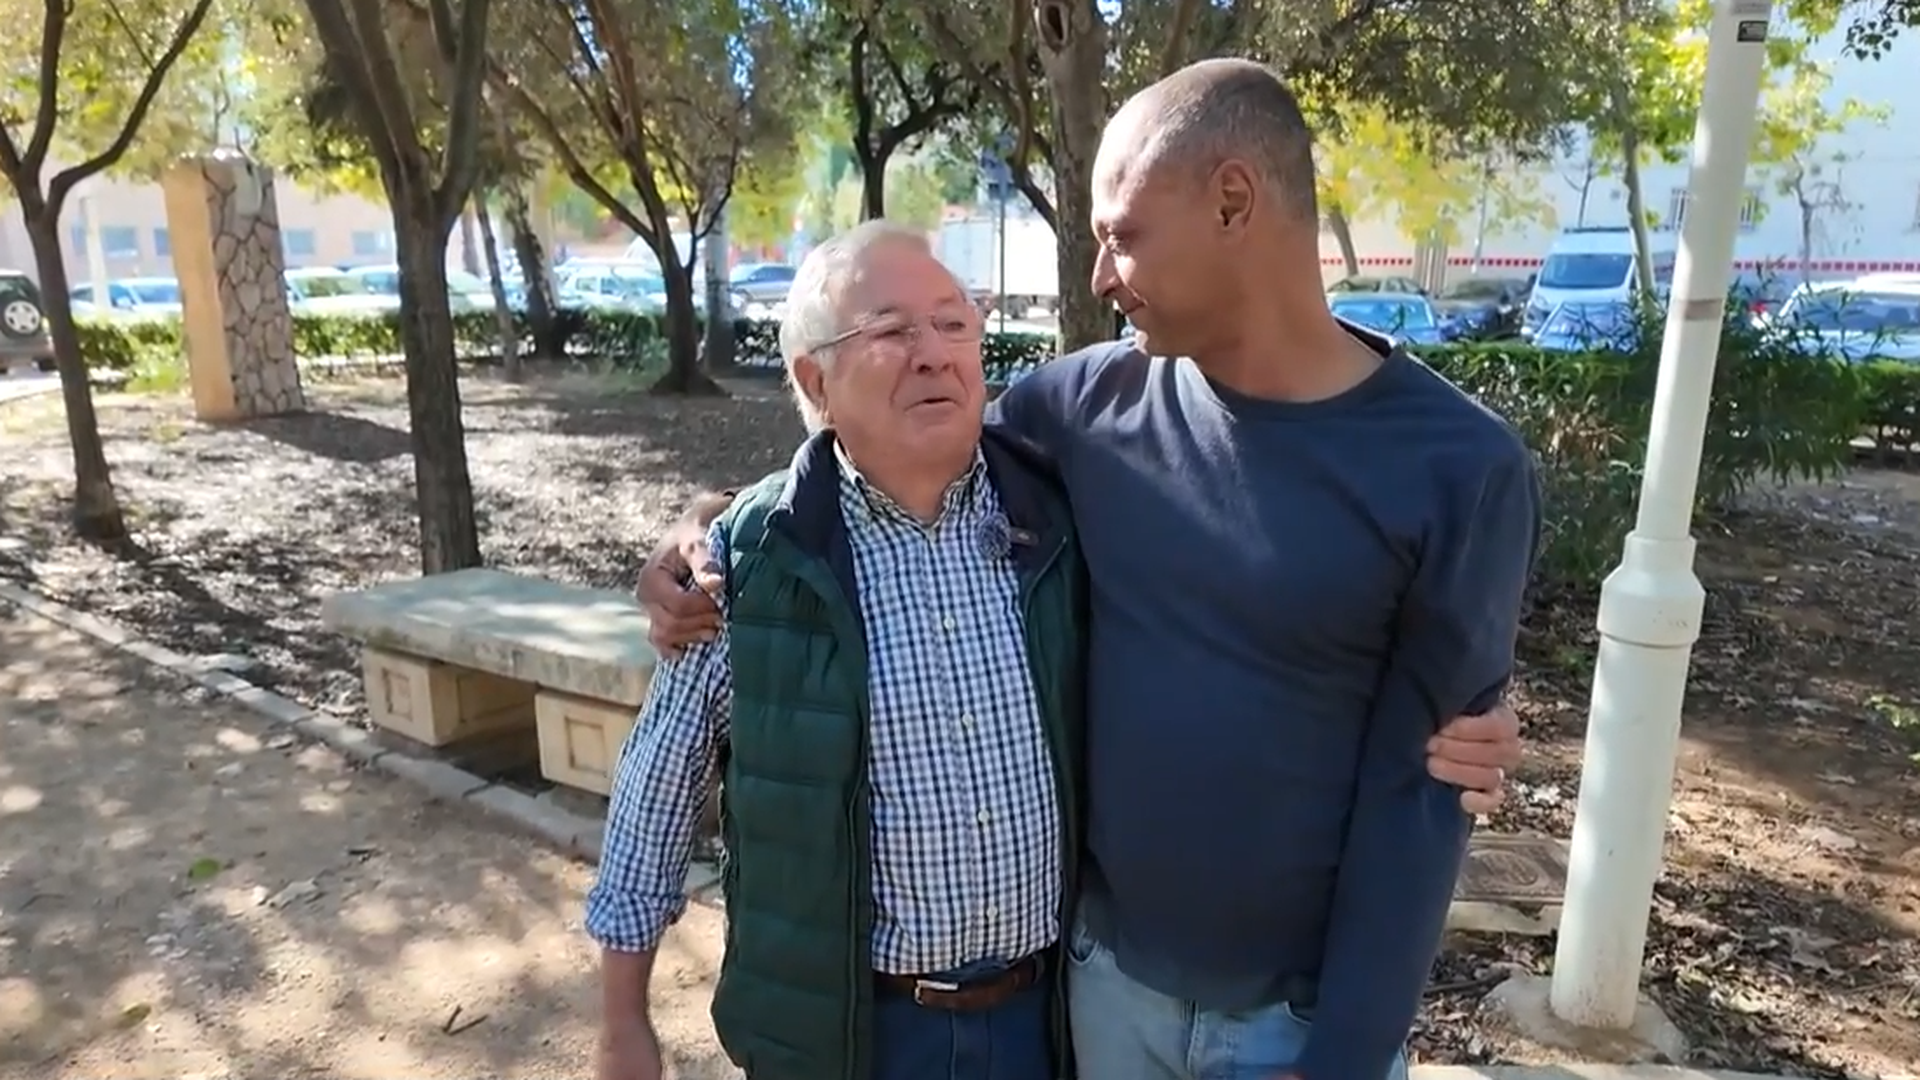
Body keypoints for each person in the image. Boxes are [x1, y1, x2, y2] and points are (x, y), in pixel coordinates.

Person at [640, 58, 1542, 1080]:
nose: (1103, 276)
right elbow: (880, 452)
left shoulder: (1461, 468)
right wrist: (700, 528)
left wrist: (1345, 1057)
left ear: (1233, 200)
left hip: (1298, 1027)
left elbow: (1424, 795)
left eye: (1120, 235)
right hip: (1097, 1002)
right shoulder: (1082, 410)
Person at [587, 220, 1083, 1080]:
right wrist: (622, 1020)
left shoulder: (1058, 519)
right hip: (851, 1038)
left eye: (954, 323)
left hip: (1049, 1024)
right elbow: (656, 791)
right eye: (892, 331)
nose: (934, 353)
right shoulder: (754, 563)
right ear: (816, 378)